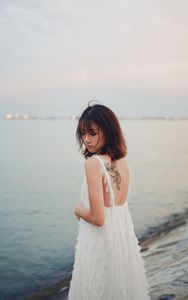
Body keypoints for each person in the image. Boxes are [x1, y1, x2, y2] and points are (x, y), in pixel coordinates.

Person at [67, 101, 150, 300]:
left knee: (97, 290)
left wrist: (78, 210)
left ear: (108, 130)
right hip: (121, 240)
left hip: (101, 243)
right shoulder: (122, 161)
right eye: (83, 133)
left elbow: (98, 218)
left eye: (92, 133)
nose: (86, 139)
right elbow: (117, 206)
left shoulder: (93, 164)